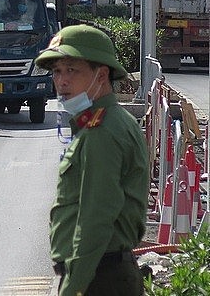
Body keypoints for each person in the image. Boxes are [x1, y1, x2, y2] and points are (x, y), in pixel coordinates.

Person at [34, 24, 149, 296]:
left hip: (99, 277)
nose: (61, 81)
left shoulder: (102, 132)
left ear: (102, 75)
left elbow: (95, 219)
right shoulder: (108, 122)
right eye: (57, 71)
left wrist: (73, 288)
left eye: (72, 70)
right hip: (100, 273)